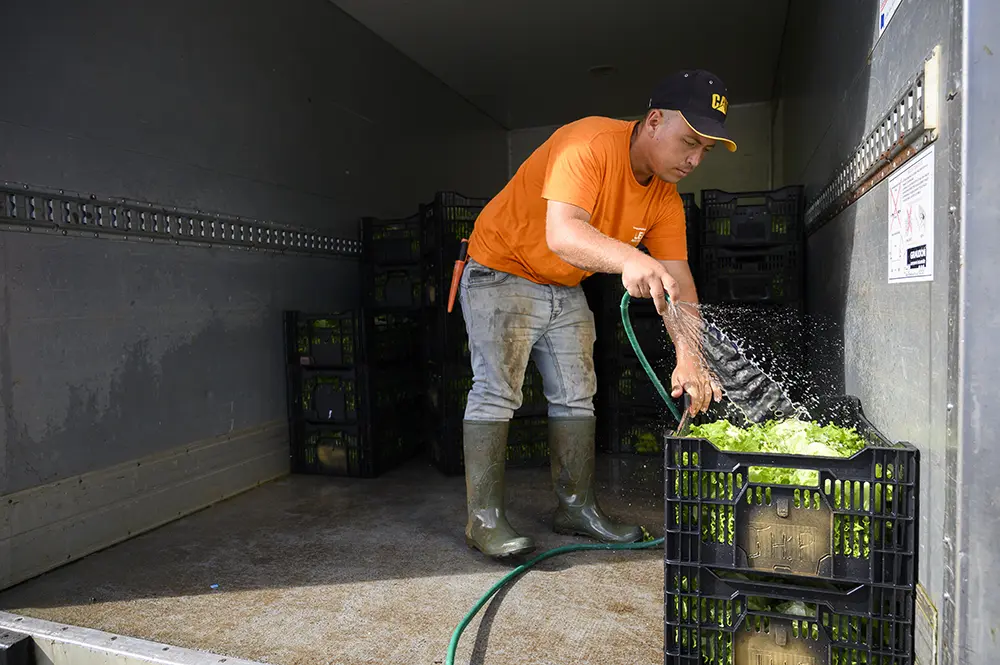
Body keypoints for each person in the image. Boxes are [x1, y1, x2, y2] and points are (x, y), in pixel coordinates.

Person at [456, 70, 737, 558]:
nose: (694, 159)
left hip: (562, 284)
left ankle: (576, 508)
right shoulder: (587, 143)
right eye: (689, 141)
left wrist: (689, 354)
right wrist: (631, 257)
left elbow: (680, 283)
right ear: (653, 121)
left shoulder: (665, 198)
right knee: (497, 393)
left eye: (704, 151)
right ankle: (483, 520)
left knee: (577, 395)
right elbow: (563, 234)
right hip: (500, 269)